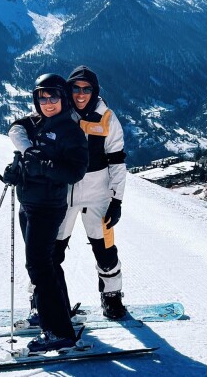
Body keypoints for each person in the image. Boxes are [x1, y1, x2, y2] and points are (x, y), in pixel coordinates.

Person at [7, 73, 89, 352]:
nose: (48, 101)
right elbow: (26, 156)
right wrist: (16, 172)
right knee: (47, 265)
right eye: (42, 96)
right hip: (28, 204)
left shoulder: (70, 131)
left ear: (63, 99)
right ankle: (58, 315)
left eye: (53, 96)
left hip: (47, 208)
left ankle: (57, 331)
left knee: (39, 267)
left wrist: (43, 166)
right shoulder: (37, 125)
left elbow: (75, 172)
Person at [55, 65, 128, 319]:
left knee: (105, 250)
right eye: (75, 88)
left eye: (87, 89)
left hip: (98, 197)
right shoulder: (59, 113)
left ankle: (112, 297)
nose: (81, 93)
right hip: (63, 197)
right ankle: (42, 298)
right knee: (50, 251)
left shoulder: (107, 118)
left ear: (95, 91)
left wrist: (116, 200)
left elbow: (117, 162)